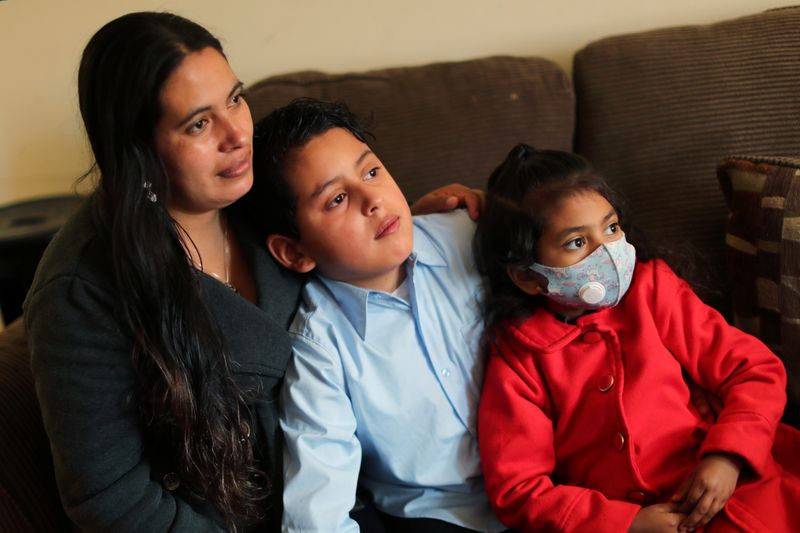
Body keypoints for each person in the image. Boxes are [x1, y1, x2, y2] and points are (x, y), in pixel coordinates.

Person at [23, 12, 481, 532]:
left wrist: (417, 232)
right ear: (137, 150)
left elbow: (344, 235)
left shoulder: (254, 191)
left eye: (235, 99)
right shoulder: (81, 293)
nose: (237, 135)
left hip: (357, 498)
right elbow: (111, 499)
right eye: (198, 123)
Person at [472, 144, 800, 533]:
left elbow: (754, 370)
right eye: (577, 242)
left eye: (611, 228)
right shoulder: (518, 356)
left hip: (736, 489)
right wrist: (625, 524)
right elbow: (518, 488)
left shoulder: (654, 290)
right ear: (527, 275)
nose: (608, 251)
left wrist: (729, 457)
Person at [245, 98, 507, 532]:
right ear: (294, 251)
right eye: (338, 199)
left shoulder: (472, 234)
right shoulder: (319, 345)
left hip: (553, 479)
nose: (373, 200)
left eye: (371, 172)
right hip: (435, 516)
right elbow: (317, 509)